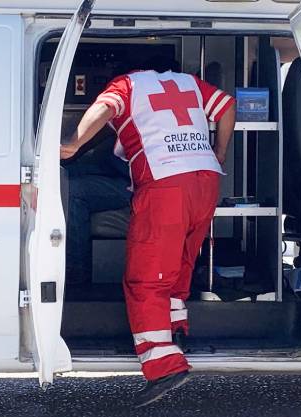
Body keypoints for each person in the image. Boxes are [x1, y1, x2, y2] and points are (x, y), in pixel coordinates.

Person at [61, 57, 236, 407]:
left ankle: (163, 365)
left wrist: (73, 144)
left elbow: (104, 109)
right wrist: (219, 151)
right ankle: (176, 332)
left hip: (165, 184)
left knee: (146, 277)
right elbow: (227, 105)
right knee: (178, 267)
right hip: (205, 183)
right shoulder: (187, 83)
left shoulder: (127, 85)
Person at [64, 136, 132, 285]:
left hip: (132, 183)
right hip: (110, 167)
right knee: (57, 174)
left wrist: (74, 143)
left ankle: (77, 275)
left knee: (72, 191)